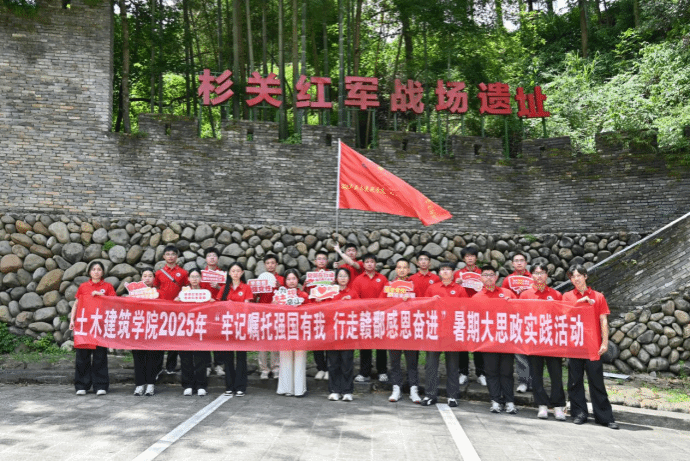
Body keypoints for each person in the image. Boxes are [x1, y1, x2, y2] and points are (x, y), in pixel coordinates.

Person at [563, 265, 619, 430]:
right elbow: (563, 317)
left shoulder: (598, 296)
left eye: (579, 275)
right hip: (574, 345)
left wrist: (604, 342)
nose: (576, 279)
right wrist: (578, 304)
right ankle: (579, 413)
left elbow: (603, 320)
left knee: (597, 382)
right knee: (575, 382)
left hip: (593, 345)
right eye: (573, 277)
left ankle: (605, 417)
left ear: (585, 276)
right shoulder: (567, 296)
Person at [519, 263, 566, 420]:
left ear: (547, 275)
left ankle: (558, 406)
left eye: (542, 273)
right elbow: (520, 316)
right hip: (534, 340)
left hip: (552, 341)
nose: (539, 276)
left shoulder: (556, 294)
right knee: (536, 374)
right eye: (536, 273)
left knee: (556, 374)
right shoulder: (525, 295)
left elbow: (562, 316)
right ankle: (542, 405)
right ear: (531, 275)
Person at [422, 262, 469, 407]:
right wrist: (432, 302)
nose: (446, 272)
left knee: (453, 366)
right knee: (431, 365)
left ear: (453, 272)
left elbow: (466, 308)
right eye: (442, 269)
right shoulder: (432, 288)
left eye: (448, 269)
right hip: (435, 331)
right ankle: (430, 395)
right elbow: (424, 307)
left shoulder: (460, 289)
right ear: (439, 273)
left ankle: (453, 396)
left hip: (452, 332)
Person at [473, 265, 517, 414]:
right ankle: (495, 401)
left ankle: (509, 401)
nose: (488, 278)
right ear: (481, 278)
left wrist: (511, 304)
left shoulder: (507, 293)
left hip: (506, 340)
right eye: (485, 275)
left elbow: (519, 312)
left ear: (496, 277)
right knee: (491, 372)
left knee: (507, 372)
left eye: (491, 275)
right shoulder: (477, 297)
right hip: (488, 341)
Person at [69, 261, 116, 396]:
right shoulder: (83, 286)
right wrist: (72, 320)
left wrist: (102, 296)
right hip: (84, 326)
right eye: (94, 269)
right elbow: (76, 304)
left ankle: (100, 385)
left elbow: (114, 303)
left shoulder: (107, 286)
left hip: (100, 326)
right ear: (89, 272)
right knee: (82, 356)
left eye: (99, 269)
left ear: (103, 272)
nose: (96, 272)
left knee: (100, 357)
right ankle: (82, 385)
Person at [380, 259, 421, 404]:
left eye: (405, 267)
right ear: (396, 270)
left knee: (412, 361)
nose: (402, 270)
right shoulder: (389, 286)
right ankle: (396, 388)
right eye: (399, 267)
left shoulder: (414, 286)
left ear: (409, 269)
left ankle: (413, 390)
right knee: (395, 361)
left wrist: (410, 300)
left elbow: (422, 303)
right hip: (394, 328)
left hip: (410, 328)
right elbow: (381, 304)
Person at [216, 262, 254, 397]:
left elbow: (247, 307)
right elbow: (219, 306)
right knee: (228, 357)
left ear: (242, 273)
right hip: (227, 326)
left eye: (238, 271)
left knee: (241, 357)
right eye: (233, 271)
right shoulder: (224, 288)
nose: (236, 273)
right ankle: (229, 386)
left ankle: (240, 387)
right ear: (229, 273)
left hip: (241, 326)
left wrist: (235, 308)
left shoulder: (246, 288)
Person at [351, 254, 388, 383]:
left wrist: (376, 308)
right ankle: (364, 372)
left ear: (375, 264)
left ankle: (382, 371)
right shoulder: (358, 280)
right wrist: (366, 308)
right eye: (367, 262)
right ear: (364, 264)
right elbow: (355, 297)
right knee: (365, 345)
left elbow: (385, 295)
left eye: (372, 262)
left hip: (379, 315)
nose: (370, 264)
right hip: (364, 316)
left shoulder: (382, 279)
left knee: (381, 345)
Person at [176, 268, 212, 396]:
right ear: (188, 279)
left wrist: (211, 302)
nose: (195, 279)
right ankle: (188, 385)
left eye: (197, 276)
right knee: (185, 358)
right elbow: (175, 306)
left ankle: (201, 385)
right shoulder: (183, 293)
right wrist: (177, 300)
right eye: (192, 276)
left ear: (201, 279)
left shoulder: (205, 293)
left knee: (201, 358)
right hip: (185, 329)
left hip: (200, 329)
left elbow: (212, 308)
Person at [453, 247, 486, 386]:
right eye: (467, 256)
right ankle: (463, 372)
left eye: (472, 256)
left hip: (479, 312)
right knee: (463, 344)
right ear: (463, 259)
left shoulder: (482, 273)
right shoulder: (458, 274)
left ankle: (481, 373)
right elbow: (453, 291)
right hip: (463, 312)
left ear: (476, 258)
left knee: (478, 344)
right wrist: (457, 283)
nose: (470, 258)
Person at [502, 252, 533, 394]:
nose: (519, 263)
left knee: (533, 351)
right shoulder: (507, 280)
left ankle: (533, 381)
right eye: (516, 260)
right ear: (512, 264)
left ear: (526, 263)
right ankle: (523, 381)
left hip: (531, 318)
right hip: (515, 318)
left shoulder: (533, 278)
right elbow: (503, 297)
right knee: (519, 351)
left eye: (522, 260)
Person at [154, 245, 188, 375]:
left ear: (177, 256)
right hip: (162, 309)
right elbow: (155, 288)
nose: (170, 256)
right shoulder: (159, 273)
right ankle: (158, 367)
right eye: (168, 254)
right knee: (161, 337)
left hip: (177, 309)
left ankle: (171, 367)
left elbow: (186, 289)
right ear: (164, 256)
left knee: (174, 337)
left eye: (173, 254)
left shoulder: (183, 273)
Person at [276, 269, 311, 397]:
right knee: (285, 359)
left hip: (300, 330)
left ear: (298, 280)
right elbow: (273, 310)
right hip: (285, 329)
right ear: (285, 281)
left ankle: (299, 389)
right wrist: (275, 302)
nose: (291, 281)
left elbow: (311, 311)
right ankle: (286, 389)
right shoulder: (280, 295)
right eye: (289, 279)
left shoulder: (304, 295)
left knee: (300, 359)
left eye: (294, 278)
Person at [326, 268, 358, 402]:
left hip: (347, 333)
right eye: (340, 276)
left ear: (349, 278)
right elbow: (324, 308)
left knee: (347, 363)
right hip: (332, 332)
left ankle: (347, 391)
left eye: (345, 276)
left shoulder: (353, 293)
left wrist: (350, 302)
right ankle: (335, 390)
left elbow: (359, 309)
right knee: (333, 363)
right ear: (336, 278)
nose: (343, 278)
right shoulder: (330, 292)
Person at [131, 268, 161, 396]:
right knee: (138, 357)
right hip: (138, 328)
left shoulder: (158, 293)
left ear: (154, 279)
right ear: (141, 278)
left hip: (153, 328)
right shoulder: (134, 293)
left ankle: (150, 384)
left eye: (150, 276)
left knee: (152, 357)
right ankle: (139, 384)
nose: (147, 278)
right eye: (144, 276)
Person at [302, 250, 330, 380]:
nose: (321, 261)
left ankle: (328, 368)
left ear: (327, 261)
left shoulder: (331, 276)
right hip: (314, 312)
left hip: (328, 311)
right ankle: (321, 368)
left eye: (324, 259)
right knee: (317, 341)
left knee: (329, 340)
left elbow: (335, 291)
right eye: (319, 259)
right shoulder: (310, 276)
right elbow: (305, 294)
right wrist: (306, 285)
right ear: (315, 261)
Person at [255, 253, 283, 379]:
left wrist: (279, 287)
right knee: (262, 342)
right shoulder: (260, 280)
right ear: (264, 265)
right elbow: (254, 297)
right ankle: (264, 369)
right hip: (262, 313)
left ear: (277, 264)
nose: (270, 265)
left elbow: (286, 295)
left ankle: (275, 367)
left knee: (275, 341)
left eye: (272, 263)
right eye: (268, 263)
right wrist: (255, 290)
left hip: (277, 314)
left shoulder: (281, 279)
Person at [199, 247, 225, 378]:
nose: (212, 258)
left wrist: (219, 287)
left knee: (218, 337)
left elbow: (228, 292)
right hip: (204, 310)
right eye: (209, 256)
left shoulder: (223, 275)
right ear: (205, 259)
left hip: (219, 310)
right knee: (205, 337)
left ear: (218, 259)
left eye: (214, 256)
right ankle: (207, 365)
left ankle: (219, 365)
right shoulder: (201, 275)